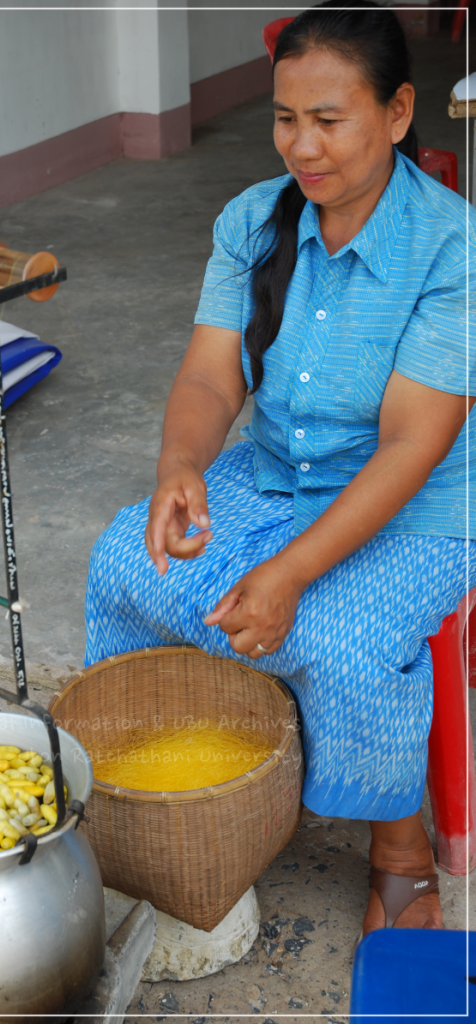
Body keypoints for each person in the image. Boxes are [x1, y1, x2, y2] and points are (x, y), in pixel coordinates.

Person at [85, 0, 475, 934]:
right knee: (128, 562)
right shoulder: (253, 220)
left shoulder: (453, 249)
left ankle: (401, 846)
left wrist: (290, 572)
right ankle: (196, 781)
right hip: (270, 471)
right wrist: (181, 462)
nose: (303, 146)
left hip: (416, 500)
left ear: (396, 111)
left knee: (338, 638)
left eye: (330, 120)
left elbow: (412, 446)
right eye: (285, 118)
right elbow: (213, 377)